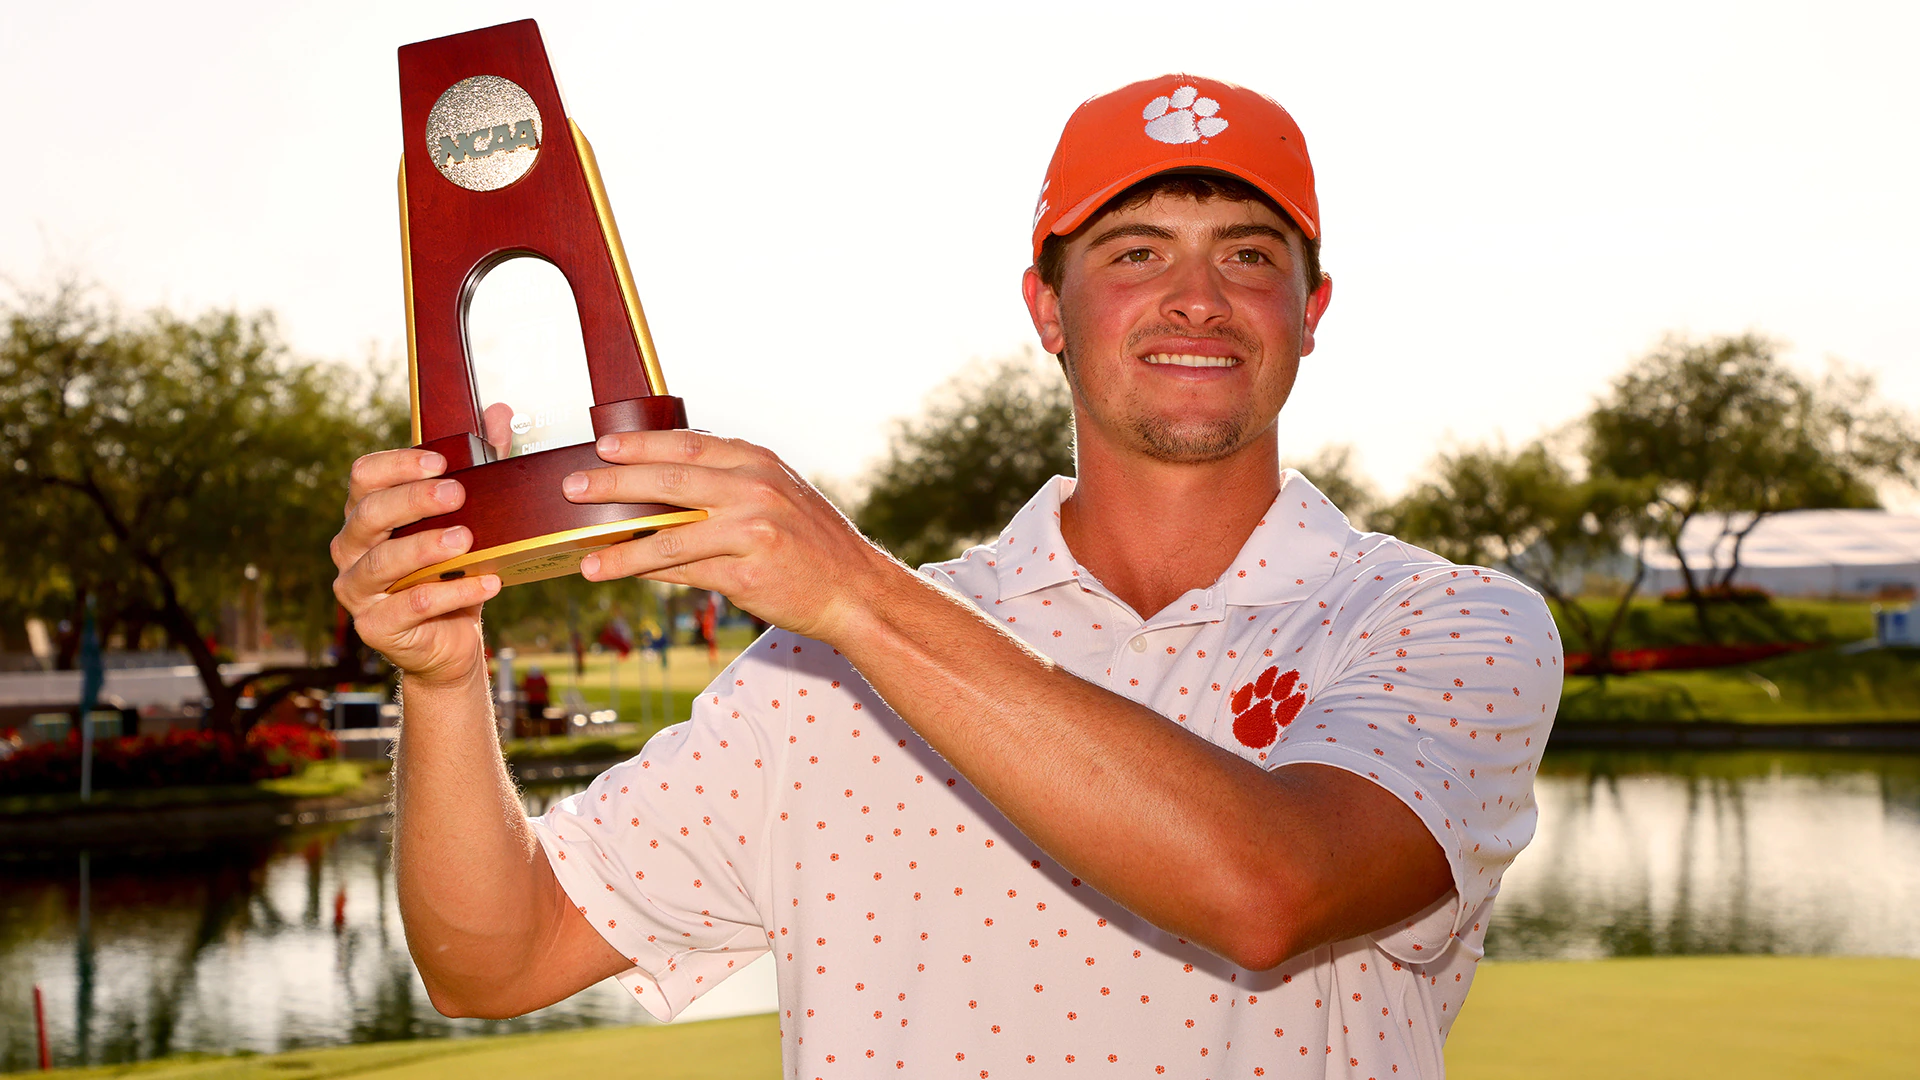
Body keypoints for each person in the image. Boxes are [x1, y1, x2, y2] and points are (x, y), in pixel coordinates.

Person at [331, 74, 1561, 1077]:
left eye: (1247, 256)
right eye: (1136, 251)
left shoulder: (1447, 622)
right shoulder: (823, 672)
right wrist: (442, 680)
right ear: (1047, 306)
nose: (1197, 297)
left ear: (1311, 308)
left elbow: (1271, 887)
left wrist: (859, 596)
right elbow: (493, 957)